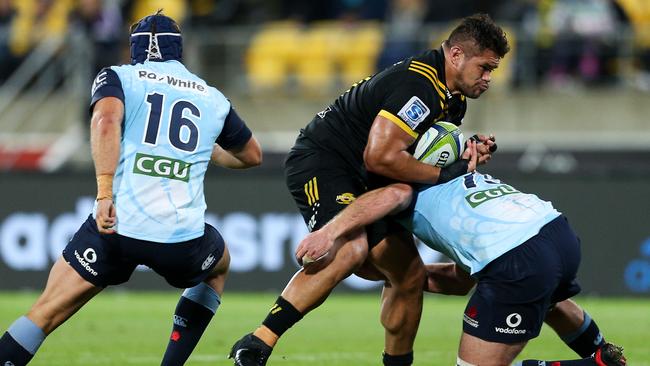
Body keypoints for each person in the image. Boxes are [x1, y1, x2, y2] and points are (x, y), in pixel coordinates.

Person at [230, 13, 508, 366]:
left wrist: (466, 154)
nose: (487, 79)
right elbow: (380, 157)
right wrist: (445, 174)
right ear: (455, 55)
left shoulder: (453, 101)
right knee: (350, 248)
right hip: (326, 161)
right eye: (484, 68)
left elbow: (419, 153)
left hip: (369, 179)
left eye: (492, 71)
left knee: (407, 276)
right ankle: (256, 344)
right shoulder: (419, 85)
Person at [0, 10, 262, 366]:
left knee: (44, 312)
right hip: (180, 239)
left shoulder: (119, 76)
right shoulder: (211, 97)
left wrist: (104, 193)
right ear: (178, 50)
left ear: (134, 50)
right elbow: (251, 155)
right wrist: (208, 149)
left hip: (116, 227)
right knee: (219, 265)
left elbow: (106, 120)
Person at [295, 141, 626, 366]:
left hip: (516, 256)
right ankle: (602, 351)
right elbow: (458, 280)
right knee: (547, 301)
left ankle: (594, 362)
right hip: (555, 232)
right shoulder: (462, 176)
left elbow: (382, 200)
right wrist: (403, 276)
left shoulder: (400, 187)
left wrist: (327, 232)